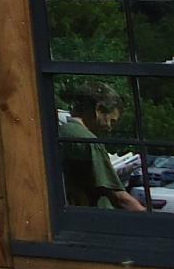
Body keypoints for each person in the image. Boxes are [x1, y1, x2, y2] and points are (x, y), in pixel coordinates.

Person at [58, 84, 146, 212]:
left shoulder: (59, 132)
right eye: (112, 120)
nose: (110, 128)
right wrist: (147, 215)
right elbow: (119, 197)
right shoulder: (90, 143)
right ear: (98, 109)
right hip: (96, 217)